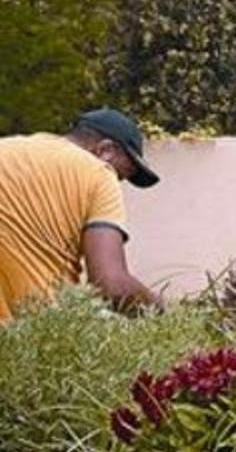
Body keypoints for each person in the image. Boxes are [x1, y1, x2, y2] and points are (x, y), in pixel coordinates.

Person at [0, 109, 161, 322]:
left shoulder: (6, 147)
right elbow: (111, 284)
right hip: (24, 338)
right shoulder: (97, 173)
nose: (118, 181)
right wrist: (167, 315)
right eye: (122, 174)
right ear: (105, 150)